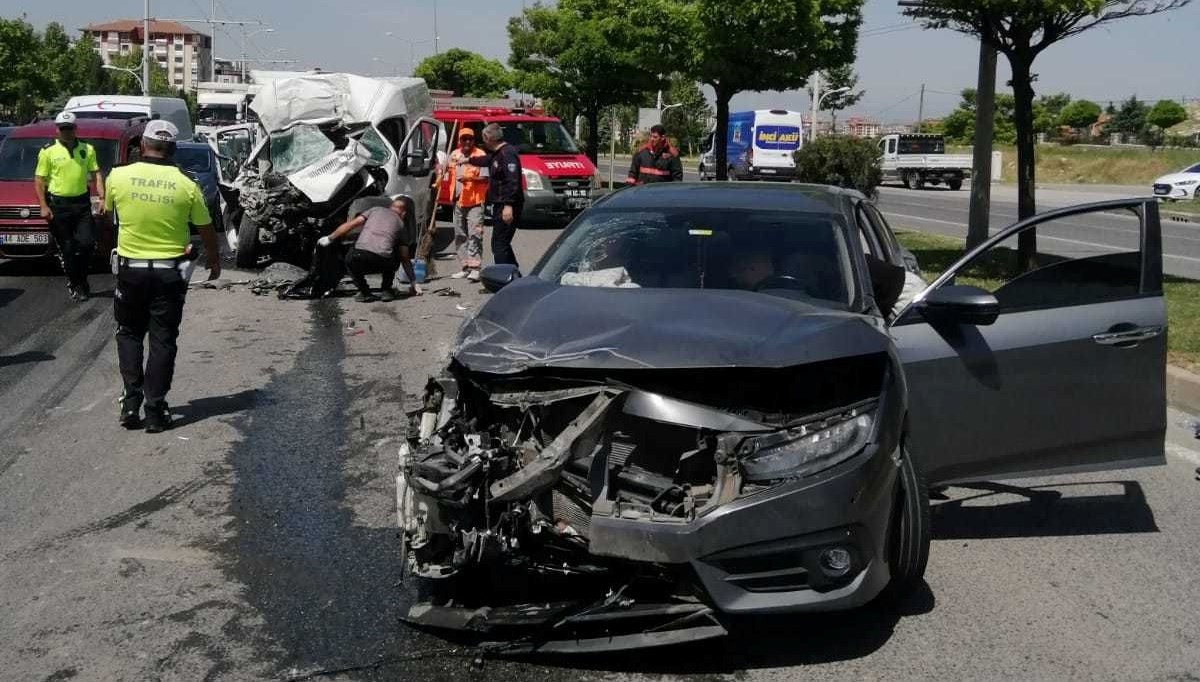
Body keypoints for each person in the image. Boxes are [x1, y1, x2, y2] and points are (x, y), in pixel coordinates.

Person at [105, 120, 221, 433]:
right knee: (163, 339)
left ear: (142, 145)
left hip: (131, 271)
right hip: (170, 273)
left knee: (129, 332)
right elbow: (206, 228)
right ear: (172, 148)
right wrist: (214, 261)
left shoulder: (119, 176)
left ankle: (131, 401)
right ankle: (155, 409)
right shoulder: (186, 183)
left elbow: (108, 211)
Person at [34, 111, 105, 301]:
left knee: (88, 243)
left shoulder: (87, 149)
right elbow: (40, 180)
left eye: (70, 128)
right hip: (59, 205)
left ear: (75, 129)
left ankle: (81, 278)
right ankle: (75, 284)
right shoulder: (48, 151)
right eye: (63, 129)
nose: (66, 132)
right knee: (67, 248)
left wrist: (102, 197)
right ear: (57, 129)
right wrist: (43, 206)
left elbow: (96, 173)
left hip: (81, 203)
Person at [318, 198, 420, 302]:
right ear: (404, 213)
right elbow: (404, 257)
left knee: (350, 258)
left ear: (391, 206)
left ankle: (365, 292)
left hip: (360, 258)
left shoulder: (375, 210)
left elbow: (351, 224)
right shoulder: (402, 225)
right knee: (396, 252)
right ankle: (386, 290)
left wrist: (330, 238)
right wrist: (413, 282)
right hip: (383, 261)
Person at [469, 123, 523, 268]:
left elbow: (513, 181)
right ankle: (513, 275)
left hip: (507, 205)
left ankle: (502, 280)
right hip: (499, 204)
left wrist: (508, 205)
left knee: (499, 244)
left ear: (488, 138)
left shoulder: (507, 154)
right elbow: (487, 160)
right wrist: (467, 160)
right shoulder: (497, 154)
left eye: (483, 138)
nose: (483, 141)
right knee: (501, 243)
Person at [447, 127, 489, 281]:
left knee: (475, 235)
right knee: (459, 235)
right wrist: (440, 171)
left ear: (473, 140)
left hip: (475, 202)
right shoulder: (454, 154)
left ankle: (475, 268)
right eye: (464, 139)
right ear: (459, 140)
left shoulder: (480, 155)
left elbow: (485, 178)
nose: (467, 141)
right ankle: (464, 267)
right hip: (458, 200)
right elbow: (447, 170)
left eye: (469, 139)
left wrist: (469, 179)